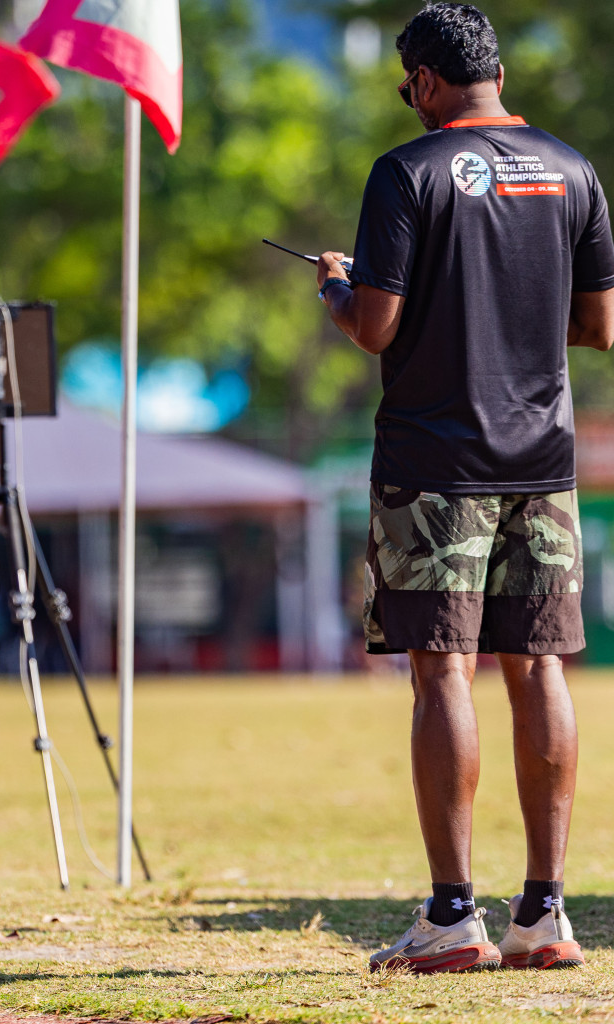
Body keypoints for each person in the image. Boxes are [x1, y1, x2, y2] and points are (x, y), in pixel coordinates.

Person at [317, 4, 614, 974]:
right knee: (541, 668)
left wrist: (338, 289)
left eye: (408, 83)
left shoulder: (407, 171)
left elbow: (375, 325)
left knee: (443, 669)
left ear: (429, 80)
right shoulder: (573, 170)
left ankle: (452, 914)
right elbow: (597, 324)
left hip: (436, 461)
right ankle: (546, 913)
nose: (408, 98)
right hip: (543, 459)